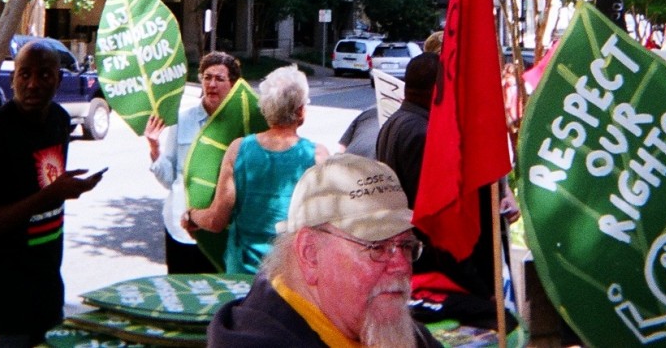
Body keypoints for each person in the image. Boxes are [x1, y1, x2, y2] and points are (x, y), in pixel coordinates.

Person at [0, 40, 105, 347]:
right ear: (13, 79)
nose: (33, 84)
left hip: (45, 301)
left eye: (44, 75)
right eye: (24, 75)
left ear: (59, 79)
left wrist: (64, 190)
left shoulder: (59, 122)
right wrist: (50, 195)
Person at [207, 154, 442, 347]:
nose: (401, 265)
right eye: (377, 247)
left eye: (406, 245)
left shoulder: (393, 330)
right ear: (310, 253)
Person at [376, 52, 519, 331]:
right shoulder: (424, 133)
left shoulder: (398, 122)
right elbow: (436, 220)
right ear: (437, 90)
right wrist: (477, 286)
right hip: (435, 273)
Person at [184, 65, 328, 274]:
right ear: (300, 111)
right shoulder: (318, 156)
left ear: (266, 109)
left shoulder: (238, 150)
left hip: (245, 277)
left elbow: (216, 221)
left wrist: (192, 216)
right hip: (294, 279)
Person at [145, 51, 240, 274]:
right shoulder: (183, 120)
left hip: (222, 230)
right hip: (181, 229)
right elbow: (170, 179)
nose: (212, 84)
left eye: (219, 78)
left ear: (233, 84)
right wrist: (154, 147)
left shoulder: (241, 124)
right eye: (207, 77)